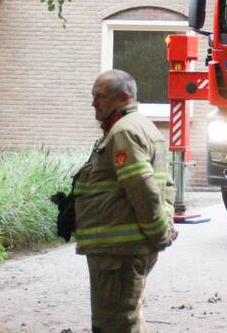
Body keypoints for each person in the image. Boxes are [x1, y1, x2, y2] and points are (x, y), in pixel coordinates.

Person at [74, 69, 176, 333]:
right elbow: (166, 185)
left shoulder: (123, 132)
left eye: (101, 97)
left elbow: (144, 189)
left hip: (118, 252)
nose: (94, 103)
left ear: (124, 97)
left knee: (114, 323)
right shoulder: (143, 126)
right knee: (127, 318)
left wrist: (159, 234)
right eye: (93, 96)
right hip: (124, 249)